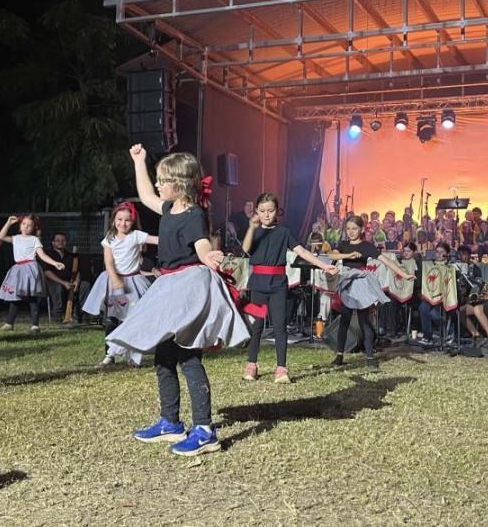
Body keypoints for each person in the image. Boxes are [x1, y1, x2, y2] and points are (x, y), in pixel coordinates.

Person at [107, 145, 249, 456]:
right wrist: (139, 162)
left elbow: (201, 244)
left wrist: (209, 257)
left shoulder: (194, 214)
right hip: (168, 284)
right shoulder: (169, 208)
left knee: (188, 357)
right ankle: (170, 422)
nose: (158, 185)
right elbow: (145, 195)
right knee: (163, 356)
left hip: (188, 286)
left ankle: (204, 430)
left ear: (180, 184)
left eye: (162, 180)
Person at [241, 192, 337, 384]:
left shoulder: (284, 232)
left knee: (279, 326)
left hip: (278, 284)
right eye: (262, 211)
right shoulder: (255, 231)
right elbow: (245, 249)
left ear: (277, 211)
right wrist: (251, 227)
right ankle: (252, 364)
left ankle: (281, 368)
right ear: (256, 211)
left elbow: (302, 251)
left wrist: (324, 266)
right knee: (256, 325)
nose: (266, 214)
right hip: (258, 283)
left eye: (270, 210)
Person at [328, 215, 414, 369]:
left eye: (354, 229)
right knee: (344, 320)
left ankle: (369, 356)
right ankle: (339, 355)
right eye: (348, 229)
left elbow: (387, 261)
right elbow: (331, 255)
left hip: (361, 284)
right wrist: (348, 255)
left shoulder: (366, 246)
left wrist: (404, 274)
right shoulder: (343, 245)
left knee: (364, 321)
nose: (351, 232)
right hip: (347, 283)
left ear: (361, 230)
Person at [82, 202, 157, 366]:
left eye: (127, 220)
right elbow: (108, 262)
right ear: (114, 220)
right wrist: (116, 280)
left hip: (134, 283)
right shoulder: (109, 239)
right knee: (113, 319)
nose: (123, 223)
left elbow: (157, 240)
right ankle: (109, 355)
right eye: (120, 219)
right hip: (116, 282)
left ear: (133, 221)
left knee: (134, 319)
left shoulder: (136, 235)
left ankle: (133, 355)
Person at [0, 215, 65, 333]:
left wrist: (54, 263)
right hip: (18, 270)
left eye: (29, 225)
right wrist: (8, 223)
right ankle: (9, 323)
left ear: (33, 228)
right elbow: (1, 236)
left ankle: (35, 325)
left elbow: (42, 255)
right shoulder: (16, 238)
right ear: (20, 226)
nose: (26, 227)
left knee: (32, 297)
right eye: (24, 224)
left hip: (30, 269)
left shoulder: (34, 240)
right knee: (15, 297)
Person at [42, 232, 86, 323]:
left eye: (63, 240)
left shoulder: (71, 256)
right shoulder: (48, 255)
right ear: (53, 243)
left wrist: (76, 282)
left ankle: (79, 314)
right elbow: (47, 272)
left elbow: (77, 270)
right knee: (58, 287)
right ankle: (57, 316)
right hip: (53, 282)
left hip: (70, 282)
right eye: (57, 240)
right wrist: (63, 283)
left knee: (85, 285)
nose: (60, 242)